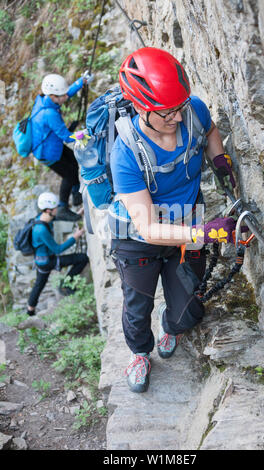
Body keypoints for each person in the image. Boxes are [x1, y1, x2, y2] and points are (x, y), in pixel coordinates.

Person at [109, 47, 242, 393]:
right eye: (166, 113)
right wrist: (203, 232)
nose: (178, 118)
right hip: (138, 239)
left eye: (179, 108)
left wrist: (219, 158)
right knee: (138, 307)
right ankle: (140, 353)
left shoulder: (191, 109)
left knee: (188, 313)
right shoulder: (125, 154)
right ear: (141, 107)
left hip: (186, 224)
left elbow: (208, 130)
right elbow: (148, 227)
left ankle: (171, 326)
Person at [30, 71, 94, 222]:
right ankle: (63, 207)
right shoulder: (49, 114)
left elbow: (65, 93)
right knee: (69, 174)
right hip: (47, 153)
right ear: (53, 97)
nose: (66, 98)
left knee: (72, 159)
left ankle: (76, 193)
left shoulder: (44, 99)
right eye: (62, 96)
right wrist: (87, 136)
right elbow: (66, 136)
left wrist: (81, 81)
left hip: (51, 144)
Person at [26, 192, 89, 316]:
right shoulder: (41, 230)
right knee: (82, 258)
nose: (58, 210)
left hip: (41, 260)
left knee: (39, 285)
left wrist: (76, 215)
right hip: (48, 261)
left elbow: (60, 216)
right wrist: (74, 237)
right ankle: (65, 285)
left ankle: (30, 311)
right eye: (56, 208)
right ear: (49, 210)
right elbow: (58, 249)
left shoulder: (42, 217)